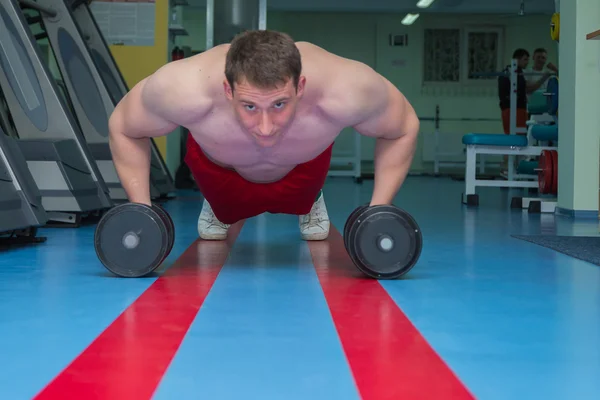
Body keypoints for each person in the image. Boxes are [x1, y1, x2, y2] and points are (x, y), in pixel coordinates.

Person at [107, 30, 419, 241]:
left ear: (301, 87)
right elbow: (124, 126)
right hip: (221, 172)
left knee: (308, 165)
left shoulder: (347, 90)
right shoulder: (183, 90)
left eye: (280, 104)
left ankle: (311, 202)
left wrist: (378, 210)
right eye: (250, 106)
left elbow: (402, 126)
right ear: (227, 90)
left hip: (303, 169)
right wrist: (141, 211)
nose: (266, 127)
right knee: (220, 216)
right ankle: (215, 207)